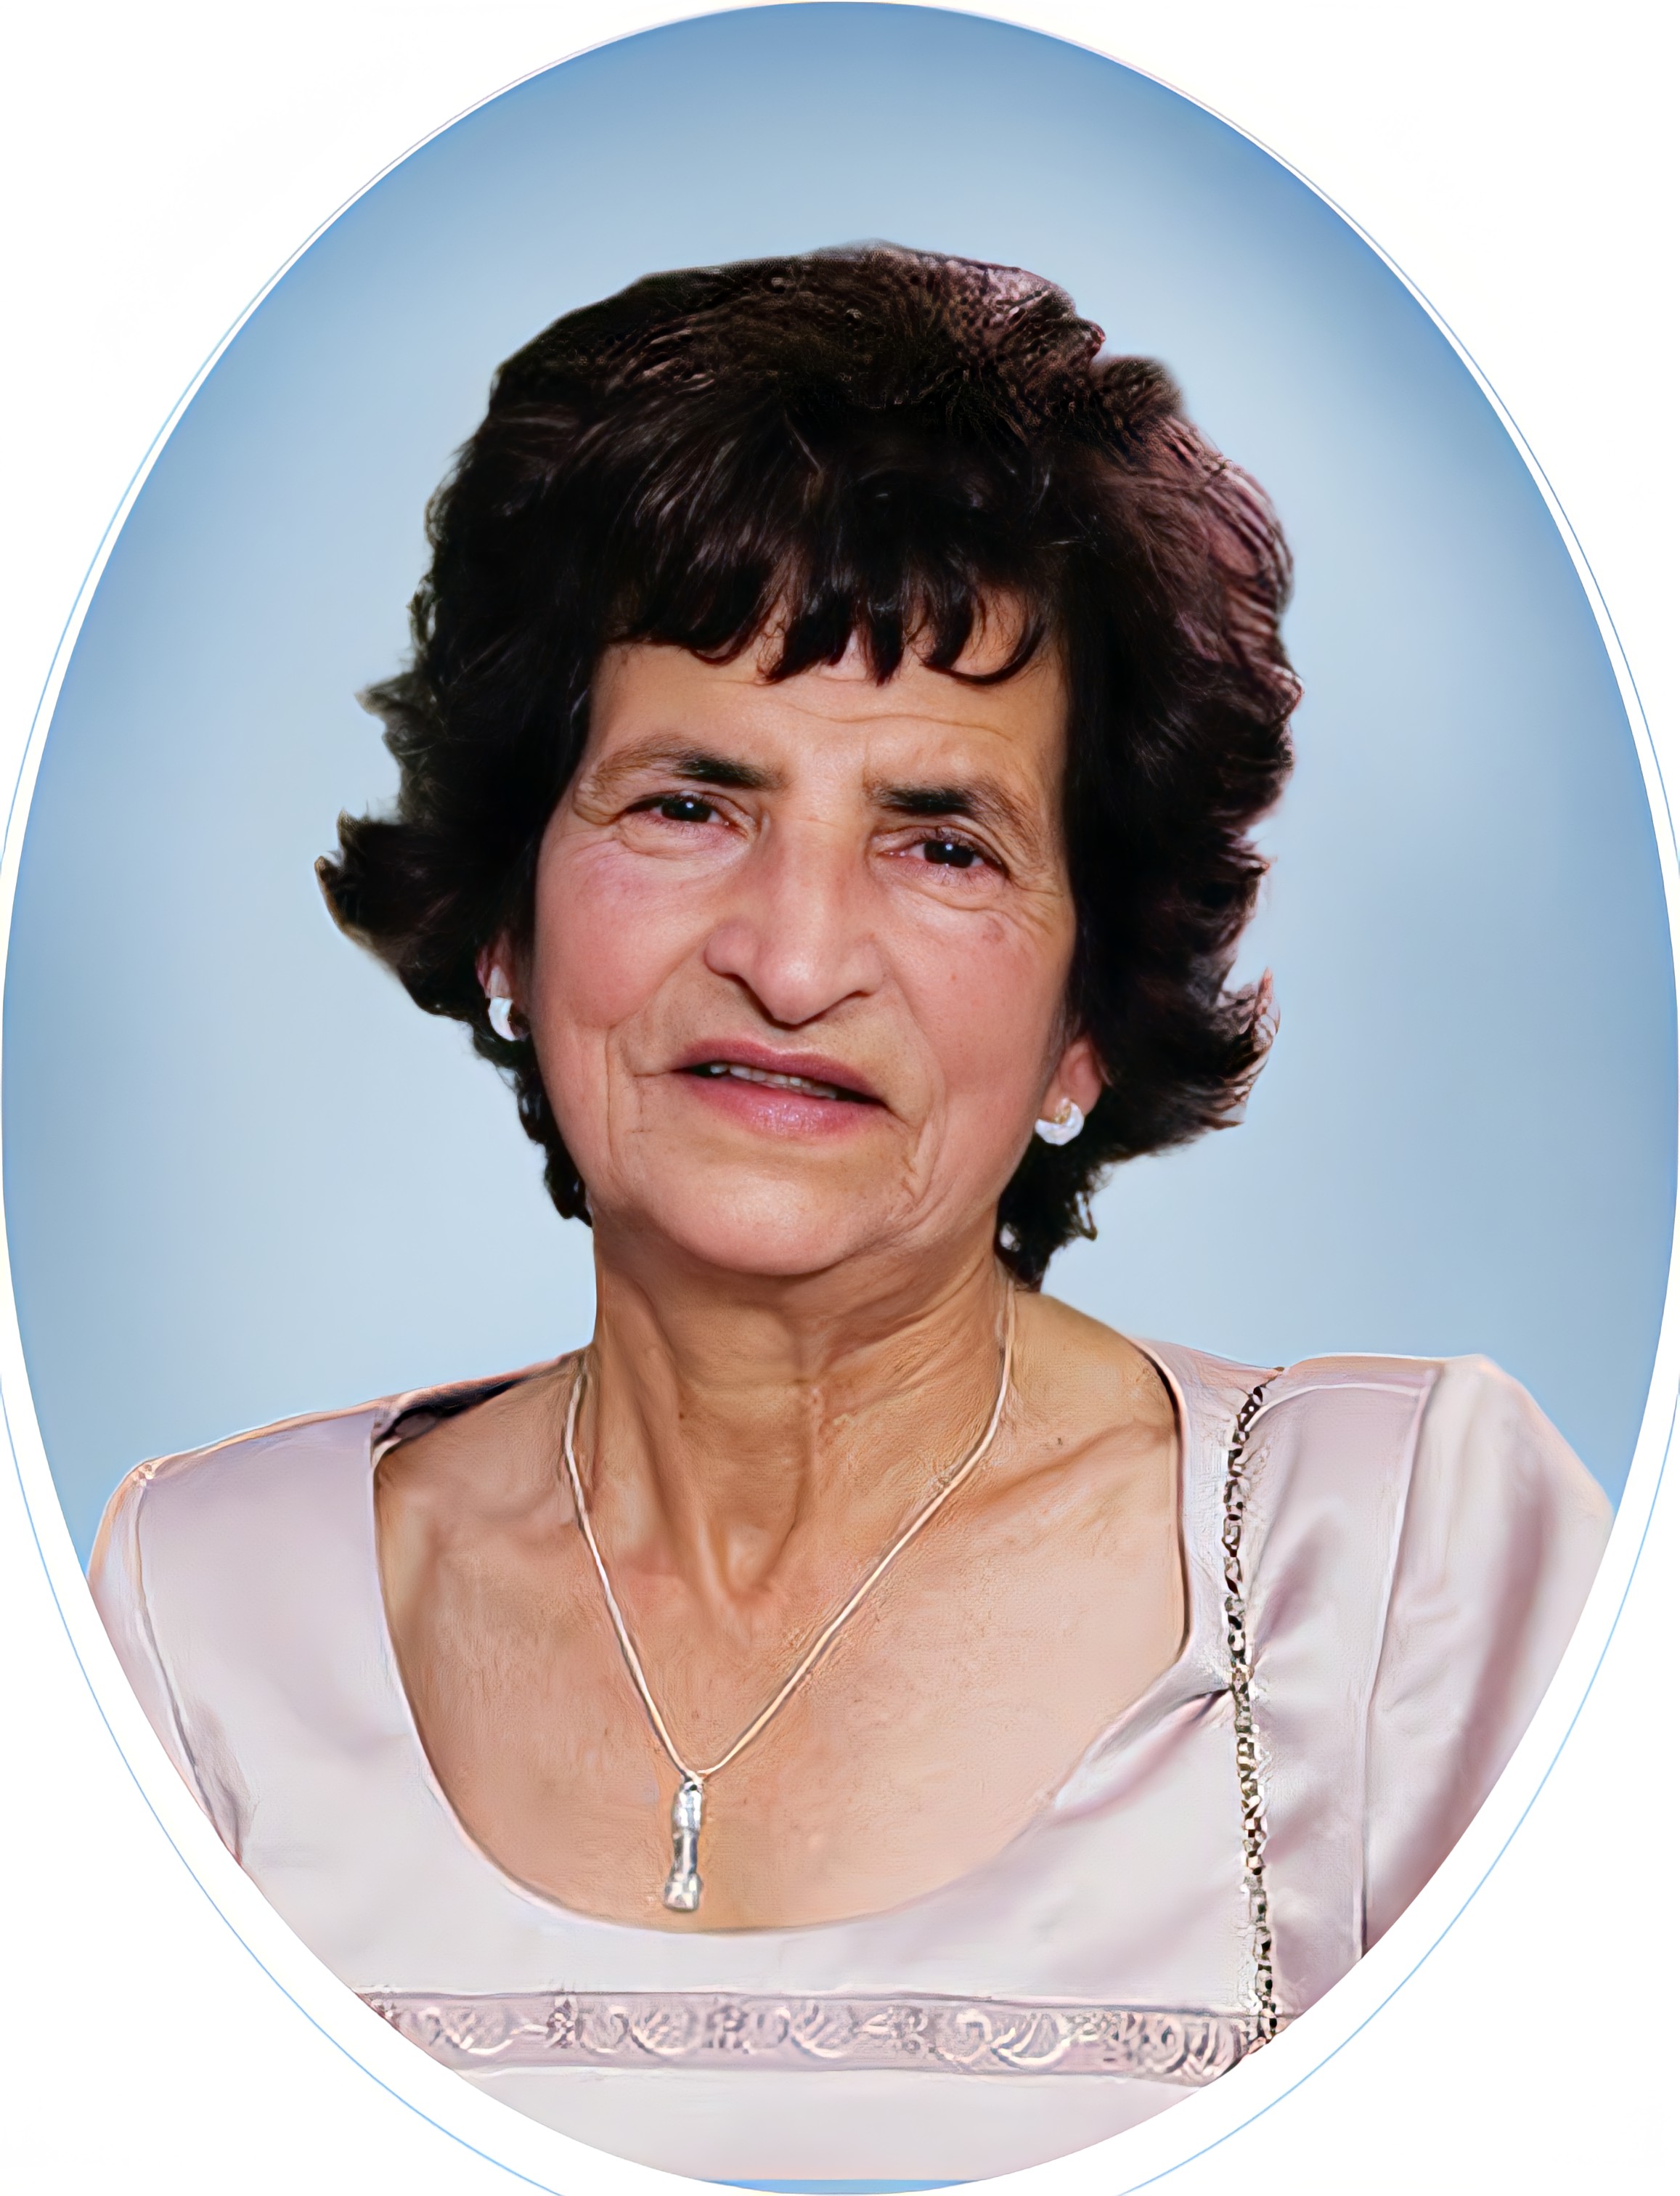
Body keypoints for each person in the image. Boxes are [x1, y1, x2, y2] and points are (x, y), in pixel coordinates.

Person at [89, 246, 1609, 2184]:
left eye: (941, 842)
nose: (794, 959)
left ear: (1087, 1018)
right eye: (686, 804)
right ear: (505, 920)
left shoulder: (1391, 1582)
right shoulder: (195, 1623)